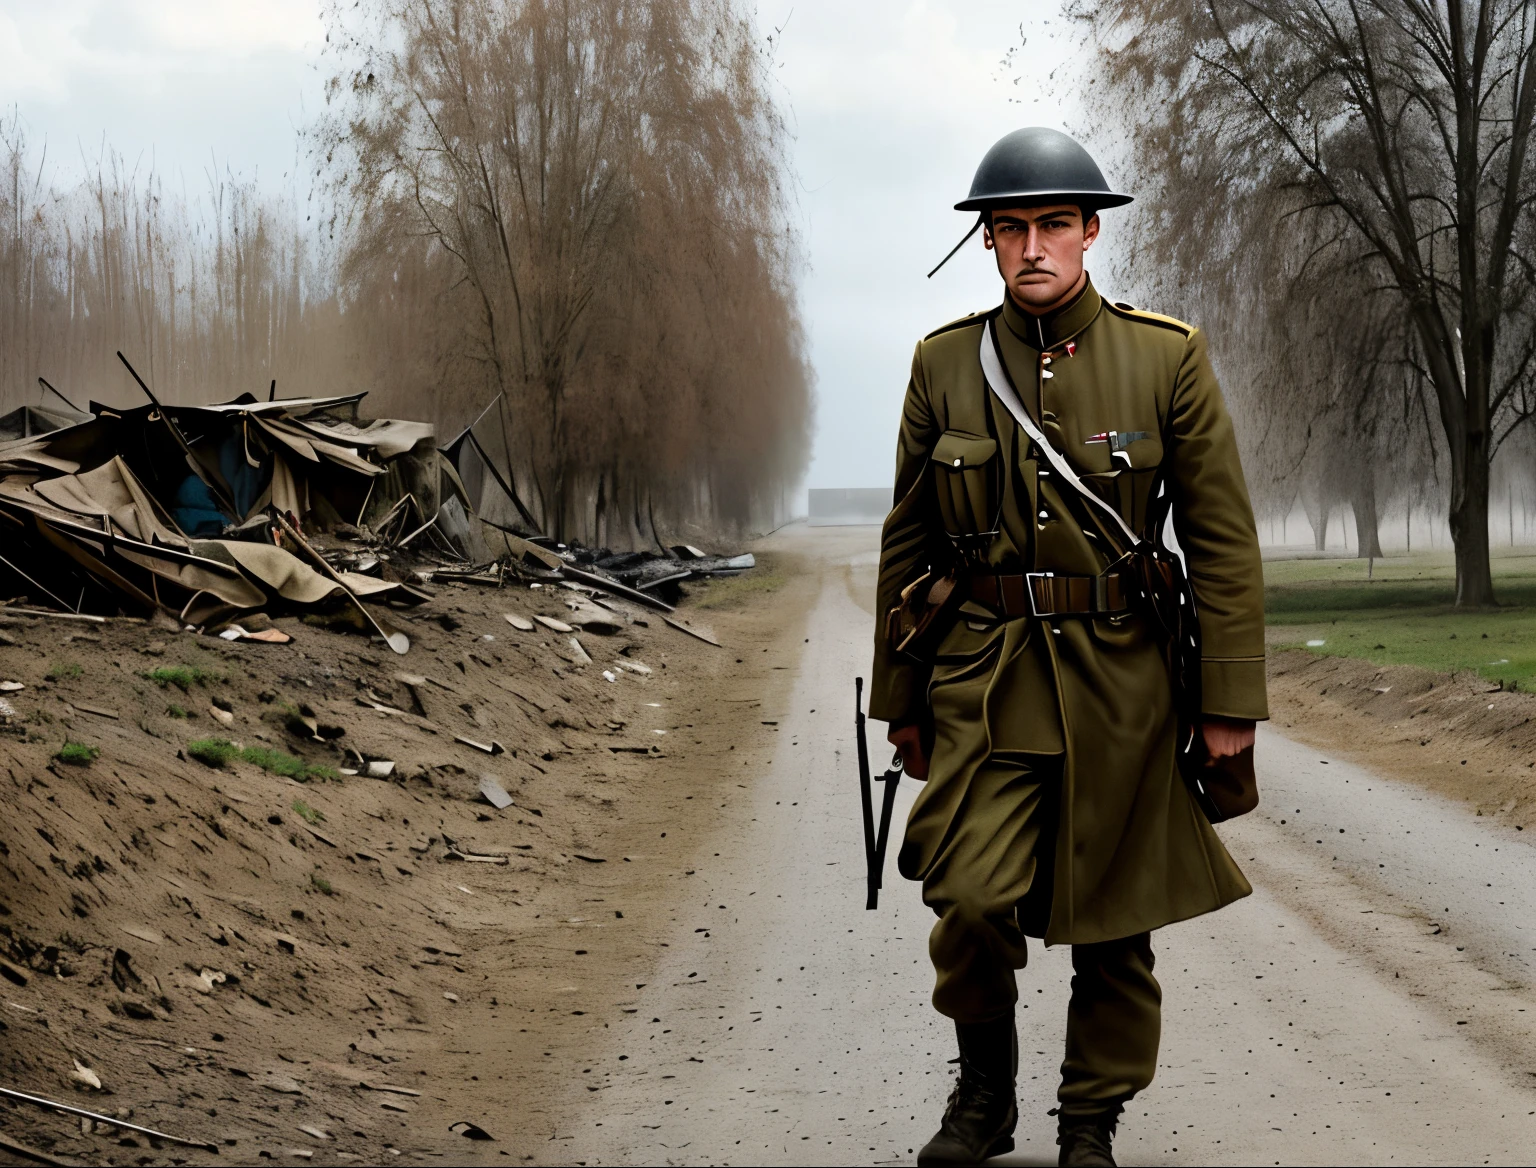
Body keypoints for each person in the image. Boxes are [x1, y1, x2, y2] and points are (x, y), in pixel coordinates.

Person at [869, 127, 1267, 1167]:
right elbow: (907, 542)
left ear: (1091, 232)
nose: (1033, 245)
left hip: (1125, 682)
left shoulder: (1163, 356)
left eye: (1054, 224)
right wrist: (901, 700)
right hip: (983, 682)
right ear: (989, 244)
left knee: (1114, 924)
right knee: (967, 898)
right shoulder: (945, 365)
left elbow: (1220, 537)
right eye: (1012, 229)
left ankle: (1089, 1122)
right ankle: (984, 1094)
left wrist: (1228, 701)